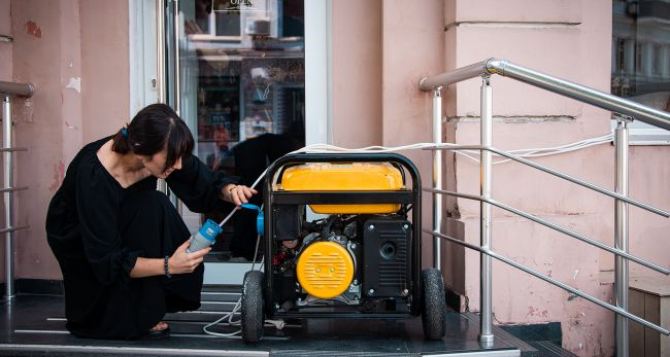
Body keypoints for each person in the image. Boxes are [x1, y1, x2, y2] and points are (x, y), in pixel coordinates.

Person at [45, 103, 256, 339]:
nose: (177, 165)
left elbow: (200, 179)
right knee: (107, 318)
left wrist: (229, 189)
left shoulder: (158, 153)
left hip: (122, 217)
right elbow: (106, 259)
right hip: (78, 233)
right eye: (171, 159)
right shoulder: (94, 175)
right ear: (140, 149)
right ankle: (119, 315)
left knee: (153, 205)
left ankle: (144, 310)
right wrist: (169, 265)